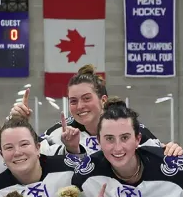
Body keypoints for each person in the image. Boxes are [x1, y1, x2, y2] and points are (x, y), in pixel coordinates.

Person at [71, 102, 183, 197]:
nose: (117, 148)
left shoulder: (175, 171)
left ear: (138, 140)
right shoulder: (86, 176)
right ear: (99, 141)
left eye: (125, 138)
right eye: (109, 138)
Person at [8, 65, 159, 157]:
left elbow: (161, 154)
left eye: (87, 98)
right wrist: (19, 123)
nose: (80, 106)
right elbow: (32, 151)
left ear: (103, 100)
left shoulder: (126, 126)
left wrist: (173, 150)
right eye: (73, 101)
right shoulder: (63, 130)